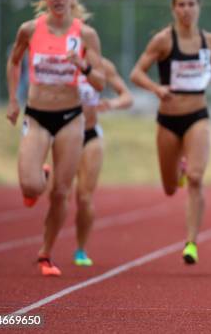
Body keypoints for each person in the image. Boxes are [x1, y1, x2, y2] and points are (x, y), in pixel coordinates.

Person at [6, 0, 105, 276]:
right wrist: (13, 100)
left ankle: (45, 254)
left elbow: (100, 82)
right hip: (37, 115)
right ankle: (41, 175)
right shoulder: (30, 29)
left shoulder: (85, 35)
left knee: (62, 193)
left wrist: (82, 65)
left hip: (70, 118)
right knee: (31, 185)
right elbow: (14, 61)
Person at [130, 0, 211, 265]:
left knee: (196, 177)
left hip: (197, 114)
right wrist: (156, 89)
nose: (187, 9)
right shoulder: (164, 41)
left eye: (191, 4)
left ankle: (191, 242)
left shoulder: (209, 40)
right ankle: (177, 169)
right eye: (181, 4)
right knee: (169, 187)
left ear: (199, 6)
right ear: (173, 8)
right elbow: (136, 73)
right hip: (168, 119)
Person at [73, 57, 133, 266]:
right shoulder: (59, 60)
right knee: (57, 193)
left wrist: (112, 103)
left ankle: (80, 249)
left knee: (84, 196)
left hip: (90, 134)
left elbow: (127, 96)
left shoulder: (102, 65)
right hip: (62, 135)